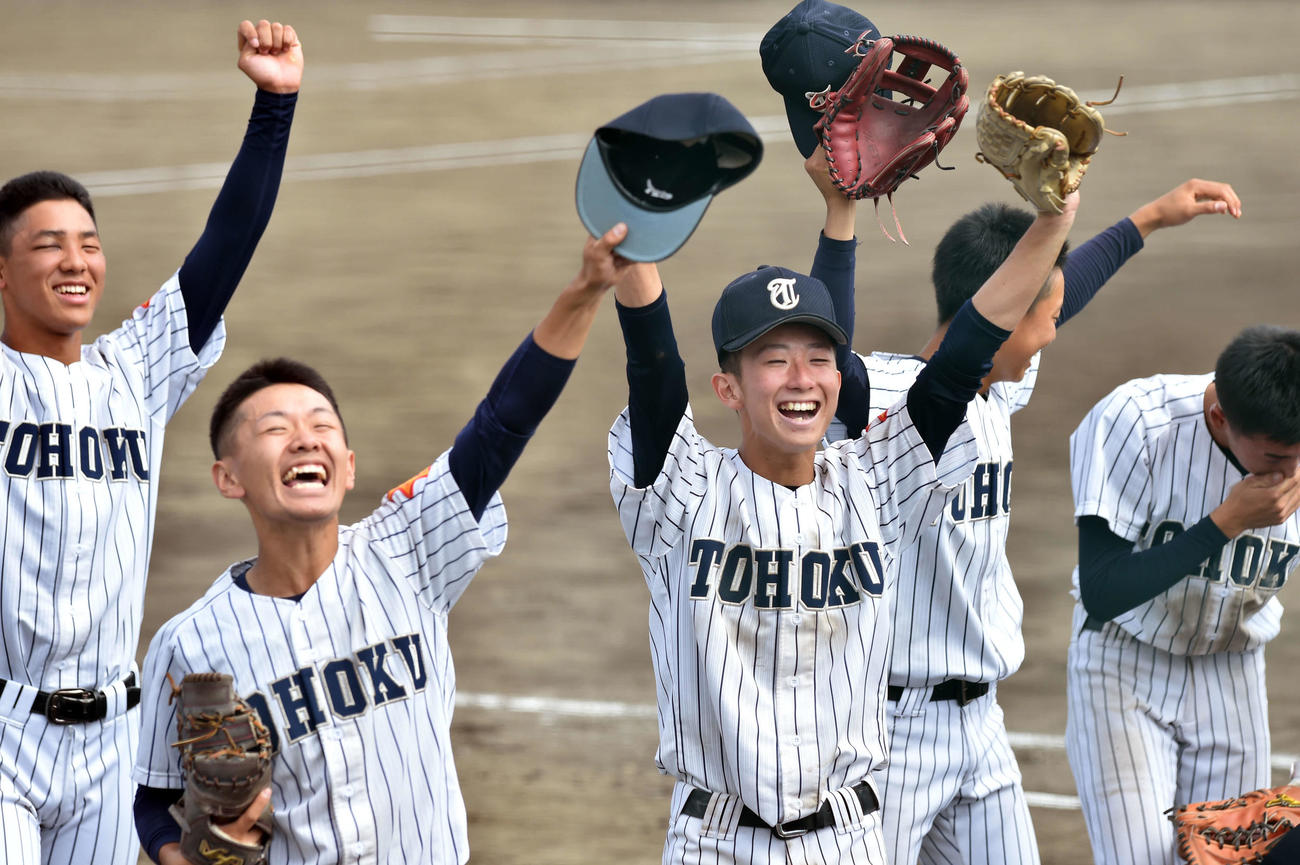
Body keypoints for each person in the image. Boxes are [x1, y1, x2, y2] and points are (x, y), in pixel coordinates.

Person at [605, 149, 1077, 859]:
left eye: (818, 355)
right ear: (729, 386)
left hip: (848, 839)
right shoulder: (684, 493)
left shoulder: (879, 480)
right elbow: (654, 372)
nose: (801, 377)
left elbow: (966, 353)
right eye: (772, 358)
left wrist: (1057, 216)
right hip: (716, 840)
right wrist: (634, 241)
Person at [131, 224, 634, 865]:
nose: (305, 439)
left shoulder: (407, 548)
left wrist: (585, 292)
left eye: (321, 427)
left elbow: (503, 424)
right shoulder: (188, 644)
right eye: (275, 429)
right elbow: (152, 799)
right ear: (228, 478)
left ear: (348, 465)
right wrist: (180, 857)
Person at [817, 167, 1242, 865]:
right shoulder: (882, 399)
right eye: (1038, 319)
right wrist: (840, 216)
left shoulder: (997, 392)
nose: (1049, 334)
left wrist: (1151, 218)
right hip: (883, 734)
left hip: (980, 726)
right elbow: (827, 349)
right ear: (1004, 316)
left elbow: (1059, 296)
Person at [0, 19, 301, 865]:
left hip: (111, 744)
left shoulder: (135, 370)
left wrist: (273, 108)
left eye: (89, 245)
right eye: (48, 244)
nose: (76, 260)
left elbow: (226, 246)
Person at [1065, 323, 1300, 865]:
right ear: (1221, 418)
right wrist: (1224, 523)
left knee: (1230, 861)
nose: (1291, 474)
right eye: (1273, 459)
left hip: (1233, 671)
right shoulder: (1137, 422)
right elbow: (1102, 591)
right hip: (1125, 666)